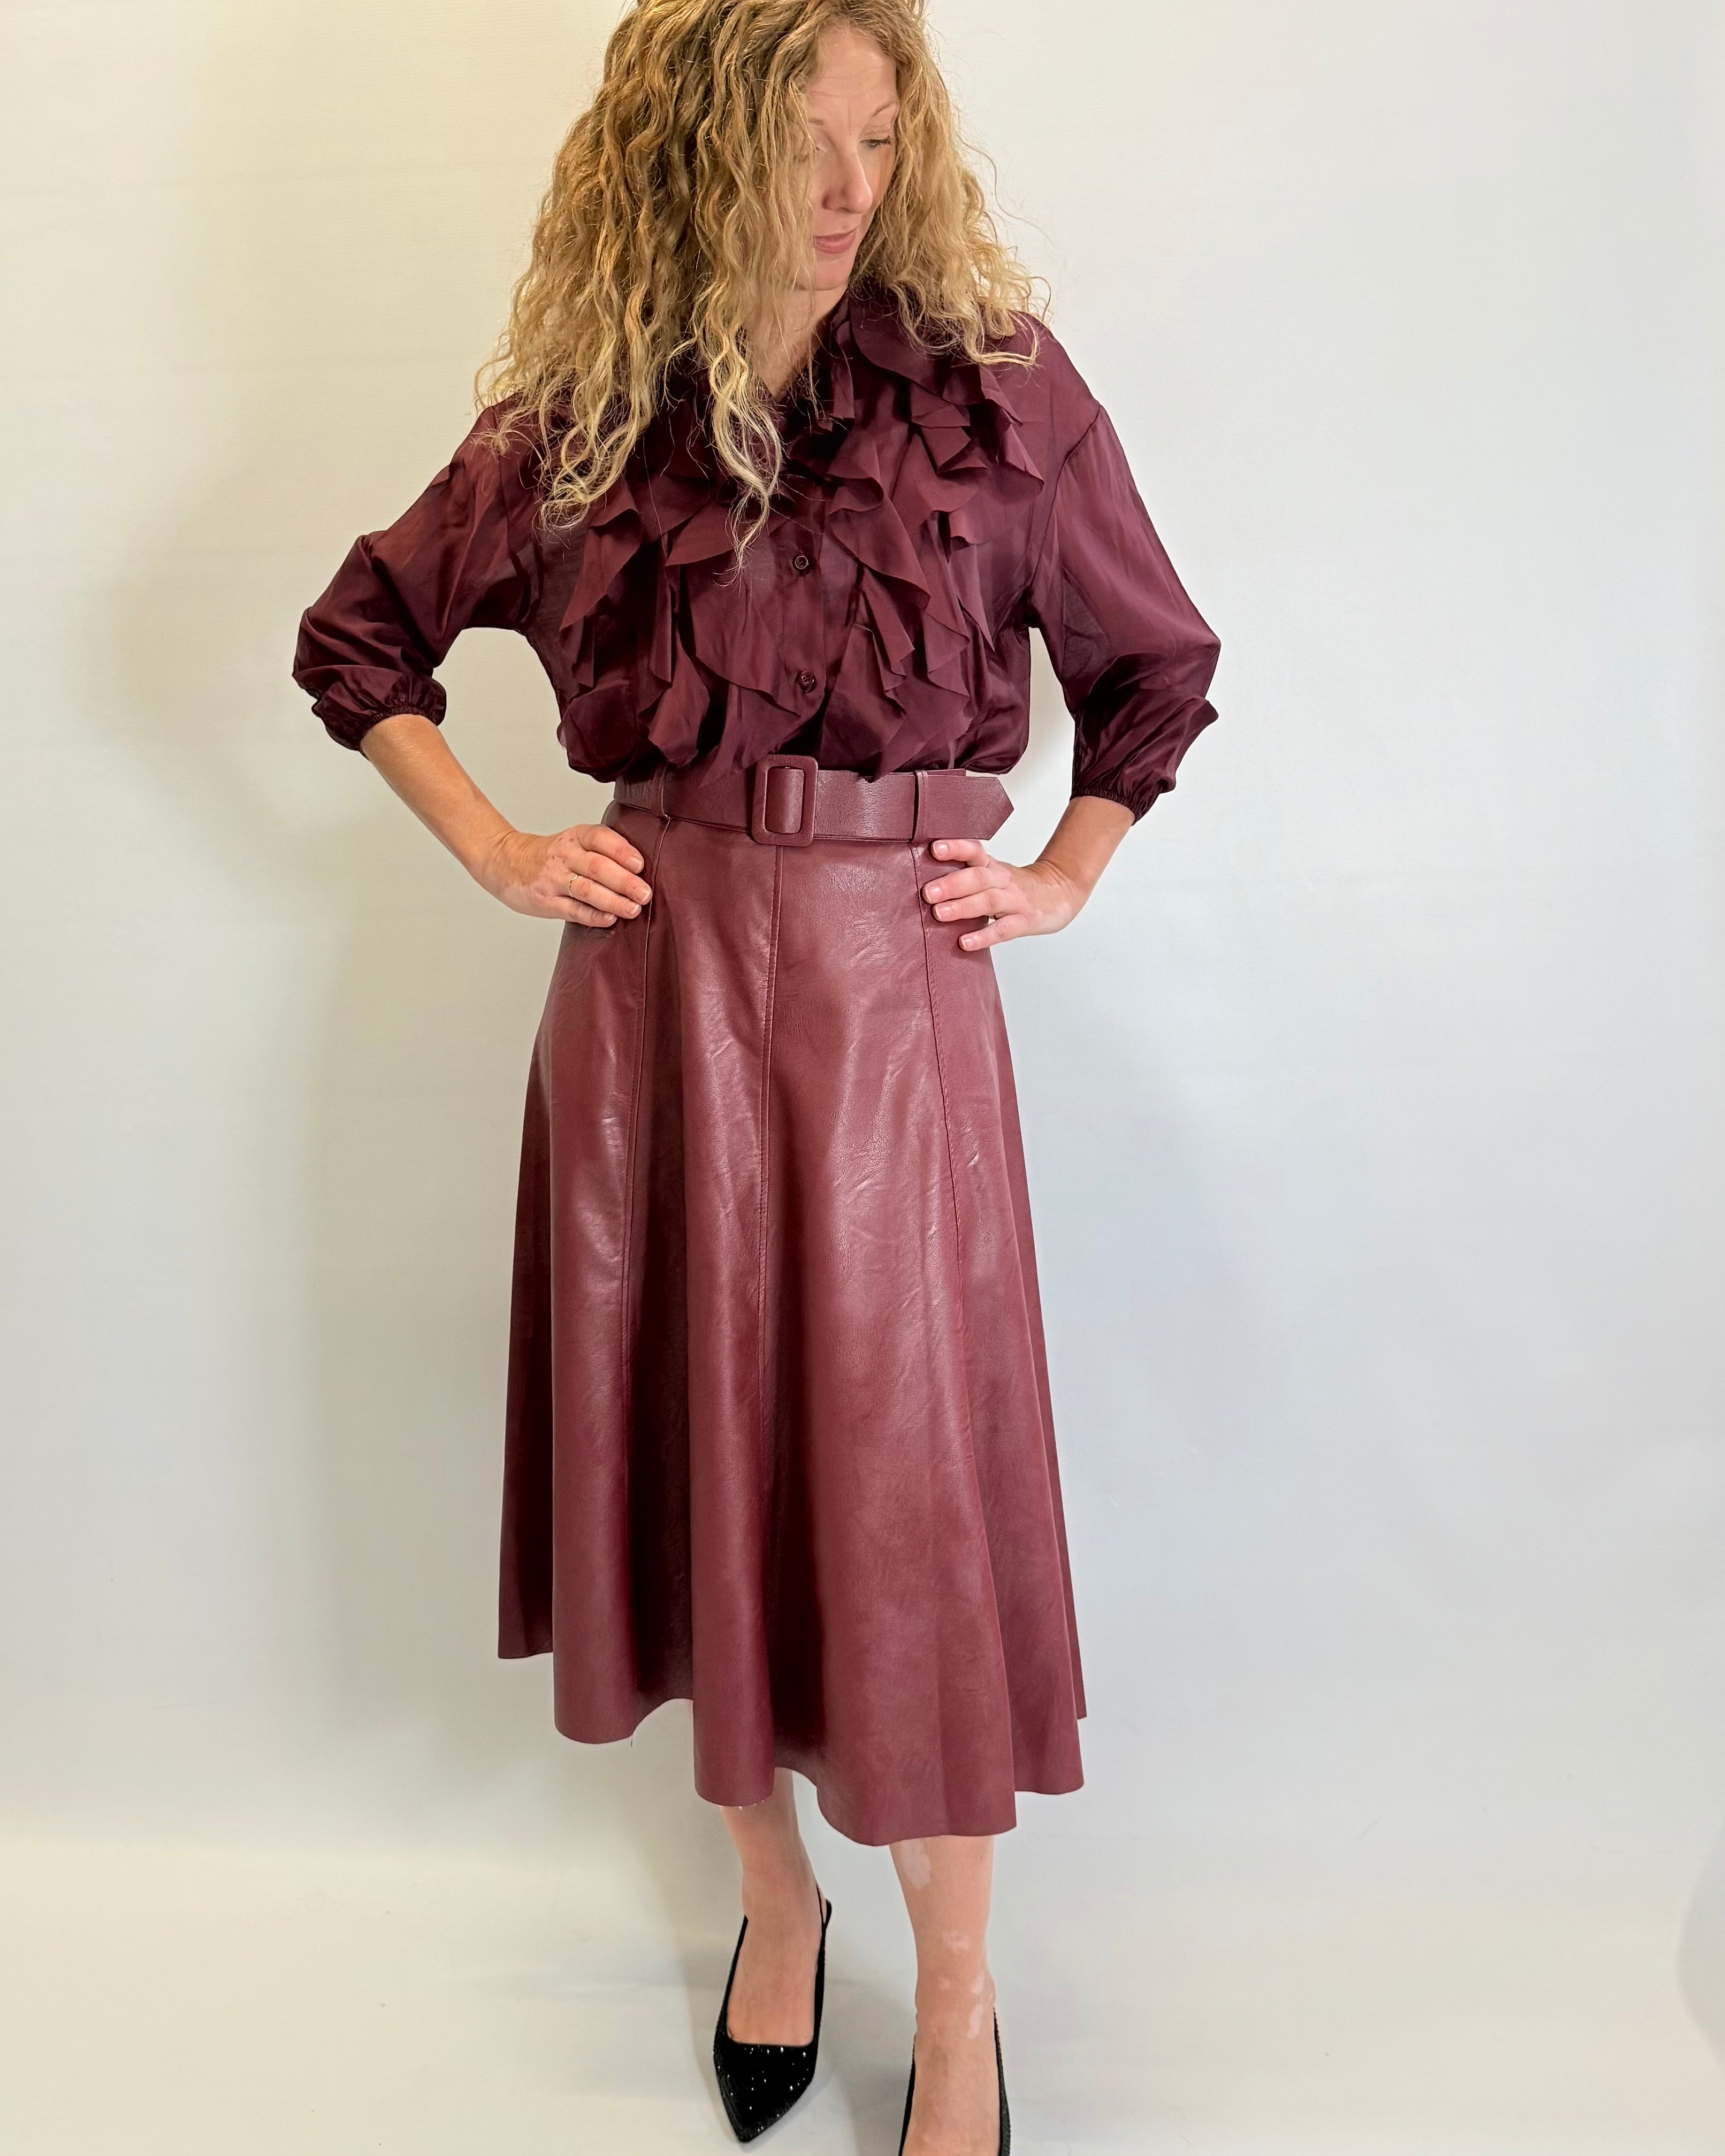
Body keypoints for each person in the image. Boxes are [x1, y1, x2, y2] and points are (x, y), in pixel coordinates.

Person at [291, 2, 1220, 2149]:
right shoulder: (580, 419)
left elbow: (1151, 664)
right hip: (658, 1000)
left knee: (903, 1520)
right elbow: (362, 640)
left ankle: (964, 2001)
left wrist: (1068, 868)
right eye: (797, 144)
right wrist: (508, 849)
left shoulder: (998, 399)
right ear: (683, 159)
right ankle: (777, 1903)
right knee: (708, 1475)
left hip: (898, 1008)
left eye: (879, 142)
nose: (842, 191)